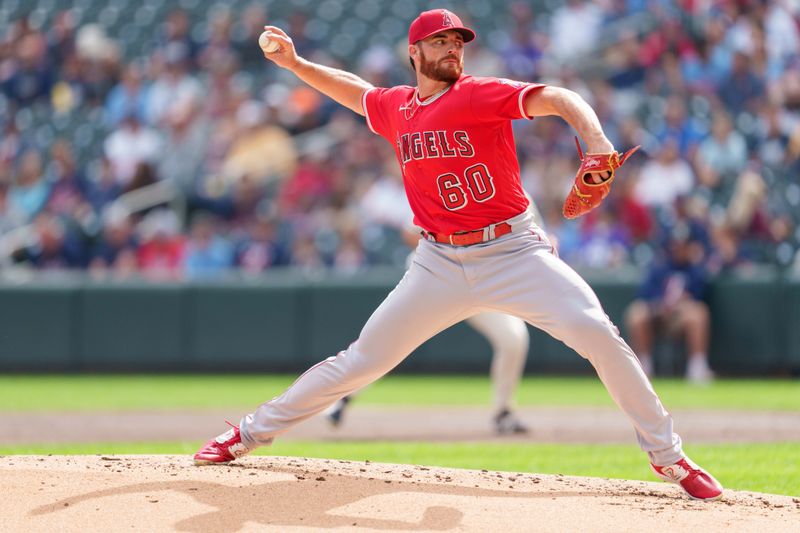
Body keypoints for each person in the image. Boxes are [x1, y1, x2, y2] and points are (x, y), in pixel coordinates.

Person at [195, 9, 723, 501]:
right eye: (440, 41)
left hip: (513, 250)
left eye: (458, 41)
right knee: (361, 361)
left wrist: (597, 140)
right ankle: (245, 433)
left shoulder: (478, 94)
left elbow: (559, 96)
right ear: (414, 52)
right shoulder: (398, 107)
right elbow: (358, 92)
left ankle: (669, 456)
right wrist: (295, 63)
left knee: (599, 336)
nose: (453, 49)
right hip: (437, 264)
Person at [625, 223, 715, 383]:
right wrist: (659, 305)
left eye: (683, 244)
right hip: (658, 316)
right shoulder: (659, 267)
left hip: (679, 319)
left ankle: (697, 367)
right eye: (676, 244)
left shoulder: (695, 270)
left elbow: (700, 297)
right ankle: (643, 366)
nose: (679, 248)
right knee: (636, 312)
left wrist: (681, 305)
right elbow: (644, 295)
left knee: (698, 313)